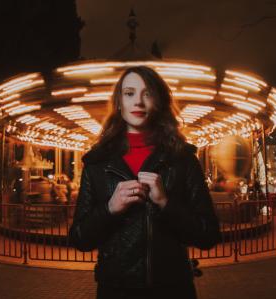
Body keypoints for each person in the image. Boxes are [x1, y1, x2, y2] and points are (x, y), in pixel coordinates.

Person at [69, 66, 221, 299]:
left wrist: (165, 203)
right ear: (119, 102)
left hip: (172, 288)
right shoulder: (97, 163)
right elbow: (79, 238)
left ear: (159, 102)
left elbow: (208, 235)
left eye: (147, 93)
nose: (138, 101)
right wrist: (110, 209)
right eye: (129, 93)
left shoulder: (182, 160)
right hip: (116, 290)